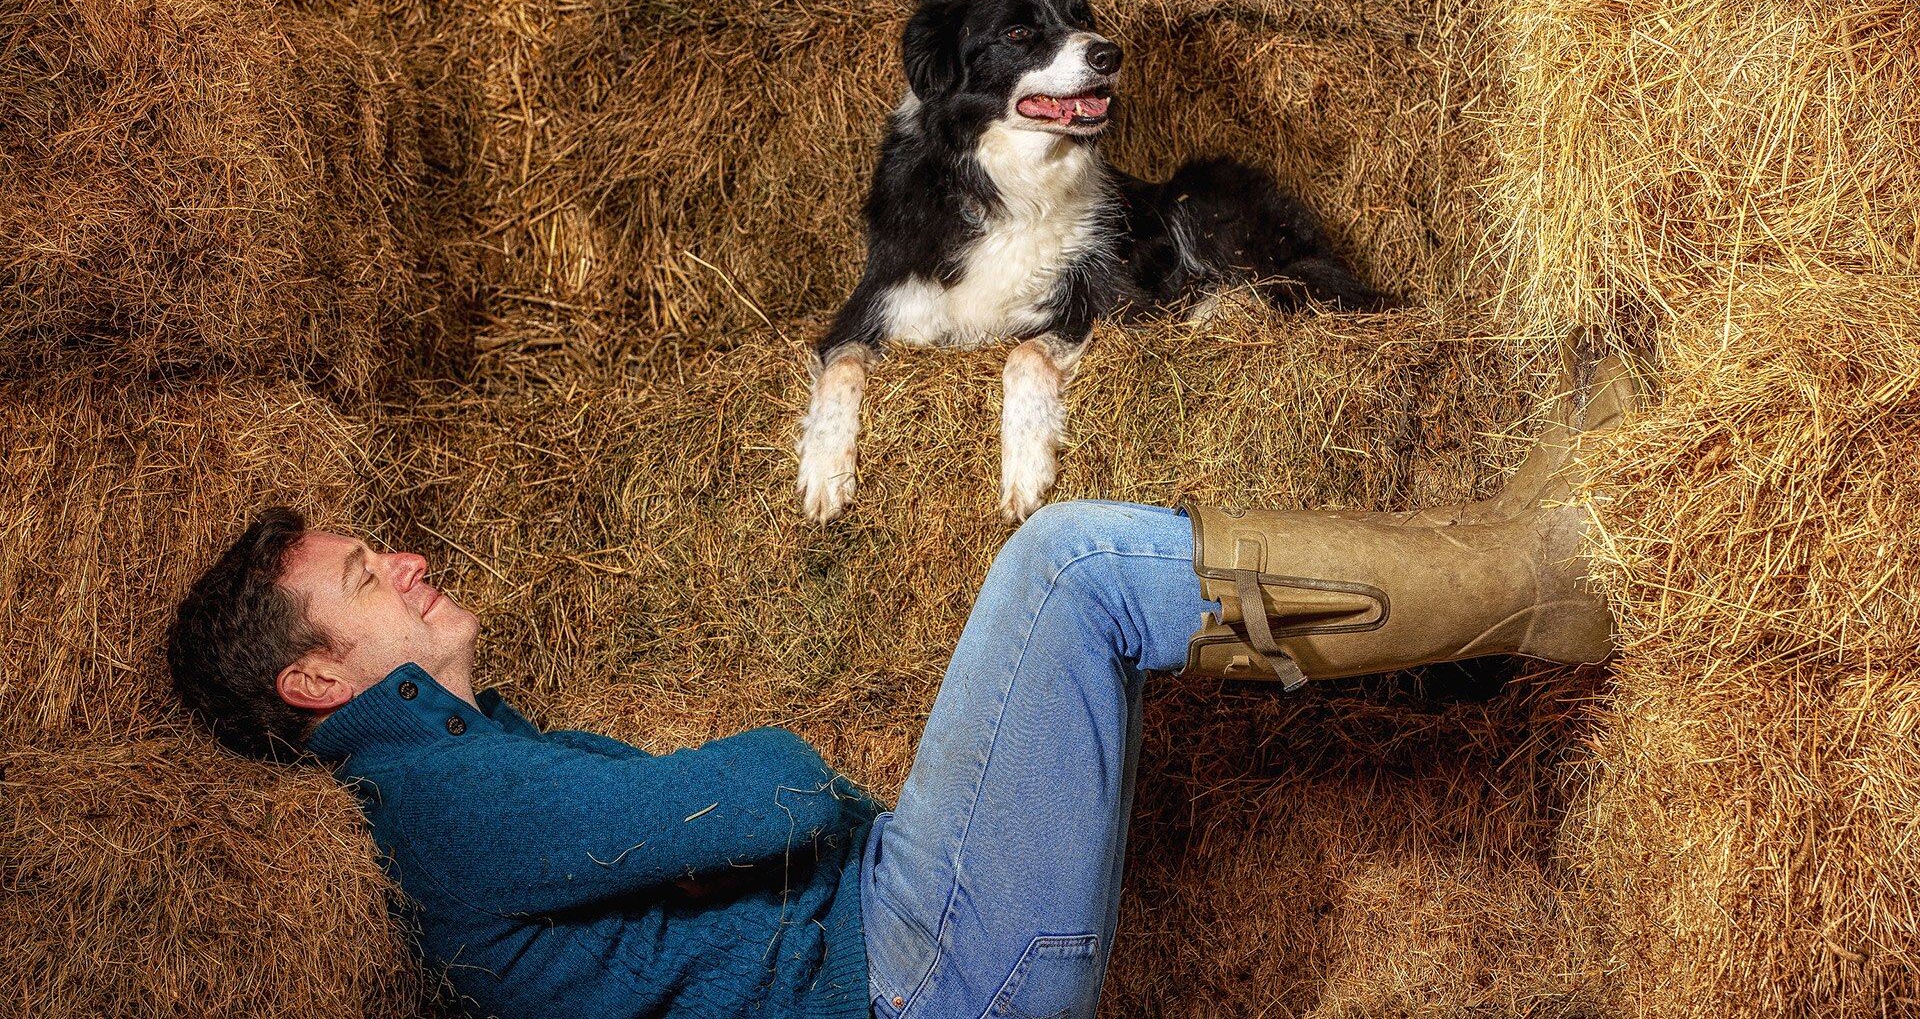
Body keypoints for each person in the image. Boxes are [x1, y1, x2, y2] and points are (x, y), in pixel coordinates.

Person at [164, 352, 1633, 1019]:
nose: (410, 562)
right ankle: (1555, 570)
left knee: (1076, 585)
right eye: (368, 577)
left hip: (912, 951)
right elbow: (772, 793)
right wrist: (816, 789)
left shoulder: (473, 766)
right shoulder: (425, 806)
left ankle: (1519, 580)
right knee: (1067, 570)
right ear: (314, 680)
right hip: (913, 978)